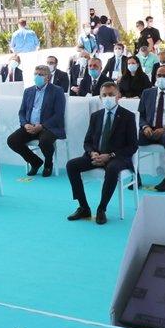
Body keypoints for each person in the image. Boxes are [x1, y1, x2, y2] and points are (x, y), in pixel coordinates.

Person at [65, 82, 137, 225]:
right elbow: (87, 142)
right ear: (100, 97)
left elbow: (132, 146)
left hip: (117, 157)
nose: (108, 97)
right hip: (96, 155)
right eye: (104, 95)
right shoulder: (96, 116)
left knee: (112, 169)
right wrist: (92, 153)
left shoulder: (128, 116)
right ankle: (84, 207)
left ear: (118, 96)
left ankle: (101, 209)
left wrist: (110, 156)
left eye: (111, 94)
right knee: (71, 165)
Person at [7, 65, 67, 177]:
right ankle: (35, 162)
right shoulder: (28, 91)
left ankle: (48, 163)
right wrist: (25, 124)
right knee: (12, 140)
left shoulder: (57, 91)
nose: (37, 76)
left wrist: (42, 126)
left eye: (41, 74)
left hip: (49, 127)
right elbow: (21, 112)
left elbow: (58, 115)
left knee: (44, 141)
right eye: (36, 74)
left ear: (48, 77)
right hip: (29, 126)